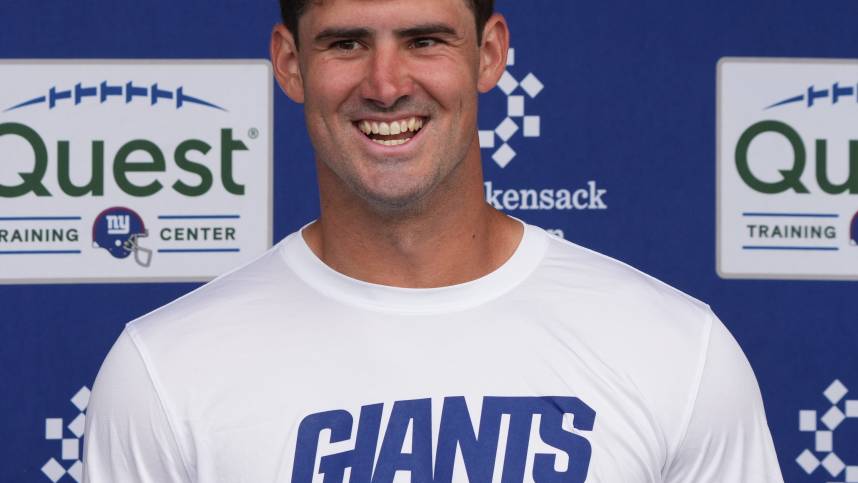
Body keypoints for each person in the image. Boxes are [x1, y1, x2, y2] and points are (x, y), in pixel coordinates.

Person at [82, 0, 784, 481]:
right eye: (346, 43)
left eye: (424, 40)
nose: (386, 84)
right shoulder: (164, 372)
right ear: (290, 63)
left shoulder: (675, 350)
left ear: (489, 53)